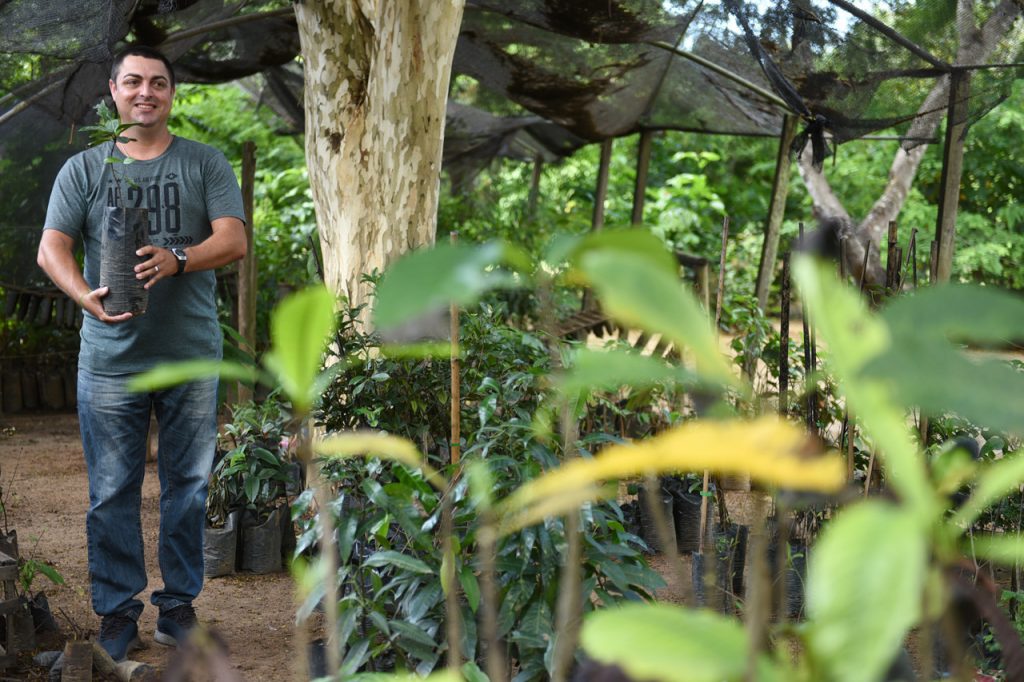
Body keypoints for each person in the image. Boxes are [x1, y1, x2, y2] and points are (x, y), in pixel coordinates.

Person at [36, 45, 247, 662]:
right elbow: (53, 249)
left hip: (189, 354)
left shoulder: (204, 163)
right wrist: (85, 298)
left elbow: (232, 239)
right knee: (110, 490)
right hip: (110, 357)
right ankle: (118, 610)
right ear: (113, 91)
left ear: (171, 94)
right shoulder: (86, 167)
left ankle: (177, 608)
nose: (145, 92)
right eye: (133, 82)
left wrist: (179, 258)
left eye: (158, 82)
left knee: (187, 484)